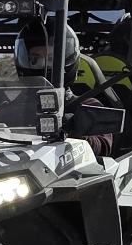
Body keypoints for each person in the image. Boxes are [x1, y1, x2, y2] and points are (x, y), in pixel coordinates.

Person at [15, 24, 112, 158]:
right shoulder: (13, 108)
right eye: (35, 60)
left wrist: (78, 132)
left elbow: (104, 147)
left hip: (73, 175)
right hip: (18, 172)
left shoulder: (88, 106)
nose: (44, 67)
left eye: (51, 60)